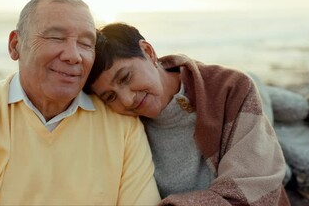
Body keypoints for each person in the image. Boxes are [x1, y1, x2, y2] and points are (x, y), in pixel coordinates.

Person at [0, 0, 160, 205]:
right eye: (56, 38)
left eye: (86, 43)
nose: (74, 56)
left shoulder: (122, 124)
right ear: (15, 45)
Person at [84, 22, 290, 205]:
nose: (127, 100)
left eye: (126, 77)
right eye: (110, 97)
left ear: (148, 51)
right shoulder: (120, 124)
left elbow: (254, 189)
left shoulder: (230, 87)